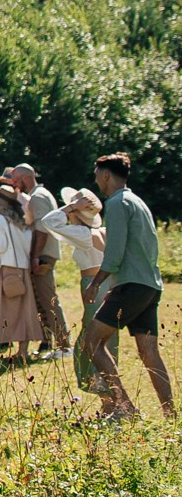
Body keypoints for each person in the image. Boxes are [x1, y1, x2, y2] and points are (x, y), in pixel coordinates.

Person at [78, 153, 171, 419]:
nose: (97, 181)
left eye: (97, 175)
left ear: (106, 175)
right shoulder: (138, 201)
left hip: (132, 285)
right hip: (149, 284)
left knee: (92, 341)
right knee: (149, 350)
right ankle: (171, 415)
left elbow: (115, 252)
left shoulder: (117, 203)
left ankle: (124, 407)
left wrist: (96, 283)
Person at [4, 163, 73, 356]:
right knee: (43, 302)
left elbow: (42, 230)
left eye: (16, 181)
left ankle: (64, 345)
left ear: (25, 179)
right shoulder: (38, 195)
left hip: (43, 255)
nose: (15, 186)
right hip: (41, 254)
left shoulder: (38, 197)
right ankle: (53, 342)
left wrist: (35, 256)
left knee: (48, 300)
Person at [0, 185, 42, 367]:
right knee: (24, 309)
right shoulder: (21, 222)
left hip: (4, 269)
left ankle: (6, 348)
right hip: (21, 269)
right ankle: (22, 350)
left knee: (2, 310)